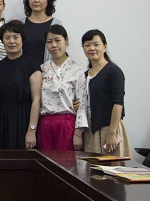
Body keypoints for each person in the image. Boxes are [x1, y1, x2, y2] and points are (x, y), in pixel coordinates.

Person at [81, 29, 131, 157]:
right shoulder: (84, 75)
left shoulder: (113, 71)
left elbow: (118, 103)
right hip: (91, 129)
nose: (92, 48)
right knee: (92, 168)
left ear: (105, 46)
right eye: (87, 45)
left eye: (96, 44)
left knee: (113, 166)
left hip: (109, 127)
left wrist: (112, 133)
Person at [38, 25, 87, 151]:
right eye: (49, 42)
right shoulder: (42, 69)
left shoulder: (77, 70)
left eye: (57, 40)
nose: (54, 45)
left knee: (66, 161)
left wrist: (78, 133)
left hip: (67, 124)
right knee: (45, 160)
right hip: (45, 124)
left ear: (66, 41)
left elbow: (82, 103)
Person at [0, 20, 41, 149]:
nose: (11, 41)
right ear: (2, 41)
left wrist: (31, 130)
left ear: (22, 39)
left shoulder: (32, 66)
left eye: (15, 37)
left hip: (23, 120)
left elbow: (36, 100)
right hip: (0, 120)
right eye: (7, 37)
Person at [20, 0, 62, 66]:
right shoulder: (20, 24)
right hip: (23, 71)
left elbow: (59, 52)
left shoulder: (56, 24)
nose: (36, 0)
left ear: (48, 0)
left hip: (48, 71)